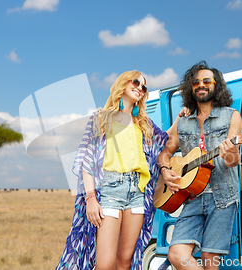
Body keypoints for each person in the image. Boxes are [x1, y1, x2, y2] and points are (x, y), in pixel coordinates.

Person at [56, 71, 168, 270]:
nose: (140, 88)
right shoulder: (101, 118)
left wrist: (183, 116)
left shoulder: (144, 124)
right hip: (109, 191)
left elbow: (167, 142)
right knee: (105, 264)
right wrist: (90, 198)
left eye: (144, 86)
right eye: (136, 82)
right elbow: (86, 161)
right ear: (123, 84)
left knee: (125, 261)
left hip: (137, 193)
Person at [157, 61, 242, 270]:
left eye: (206, 81)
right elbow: (164, 153)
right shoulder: (183, 121)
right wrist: (165, 170)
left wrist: (230, 153)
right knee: (176, 254)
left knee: (210, 260)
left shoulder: (231, 115)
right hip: (191, 196)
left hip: (223, 197)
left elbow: (233, 162)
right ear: (190, 87)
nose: (201, 85)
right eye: (195, 82)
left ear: (216, 85)